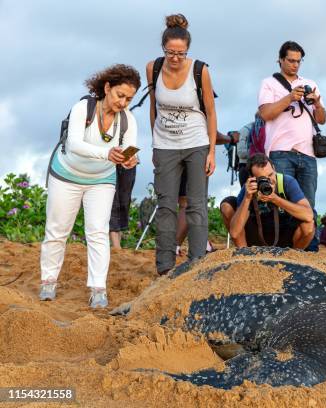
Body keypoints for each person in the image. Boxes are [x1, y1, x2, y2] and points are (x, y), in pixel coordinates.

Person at [40, 64, 140, 308]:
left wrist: (128, 160)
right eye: (120, 95)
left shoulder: (128, 120)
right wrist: (108, 153)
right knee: (57, 231)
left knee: (97, 232)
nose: (123, 102)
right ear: (107, 88)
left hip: (101, 180)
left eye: (129, 98)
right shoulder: (83, 108)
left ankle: (98, 289)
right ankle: (48, 283)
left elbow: (127, 151)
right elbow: (74, 144)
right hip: (66, 174)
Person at [147, 14, 217, 275]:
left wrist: (211, 151)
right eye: (170, 53)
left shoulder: (200, 70)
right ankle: (164, 267)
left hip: (196, 142)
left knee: (197, 204)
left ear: (187, 50)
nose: (175, 58)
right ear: (163, 48)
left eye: (181, 53)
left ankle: (196, 264)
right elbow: (153, 107)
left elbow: (210, 111)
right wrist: (154, 143)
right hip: (165, 143)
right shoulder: (153, 68)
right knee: (165, 204)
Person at [257, 41, 326, 210]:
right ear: (280, 60)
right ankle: (282, 237)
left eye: (298, 61)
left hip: (308, 154)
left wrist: (317, 103)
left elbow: (322, 119)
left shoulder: (310, 83)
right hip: (279, 152)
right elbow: (265, 114)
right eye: (291, 60)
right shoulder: (269, 83)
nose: (295, 65)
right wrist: (289, 98)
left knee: (308, 207)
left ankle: (308, 237)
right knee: (280, 205)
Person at [226, 154, 315, 249]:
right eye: (262, 179)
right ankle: (244, 254)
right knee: (226, 205)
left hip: (284, 233)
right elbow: (235, 233)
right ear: (252, 178)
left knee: (308, 224)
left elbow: (308, 215)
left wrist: (275, 199)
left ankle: (293, 257)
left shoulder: (287, 182)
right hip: (257, 234)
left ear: (274, 168)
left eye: (270, 175)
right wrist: (247, 198)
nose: (269, 181)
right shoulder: (249, 189)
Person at [175, 129, 242, 255]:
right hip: (193, 154)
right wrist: (231, 139)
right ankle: (175, 246)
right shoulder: (200, 110)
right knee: (189, 202)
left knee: (183, 201)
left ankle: (201, 243)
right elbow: (210, 133)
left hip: (171, 151)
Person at [109, 166, 136, 248]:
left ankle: (118, 244)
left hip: (128, 157)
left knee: (125, 201)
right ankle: (116, 246)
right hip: (107, 159)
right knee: (113, 200)